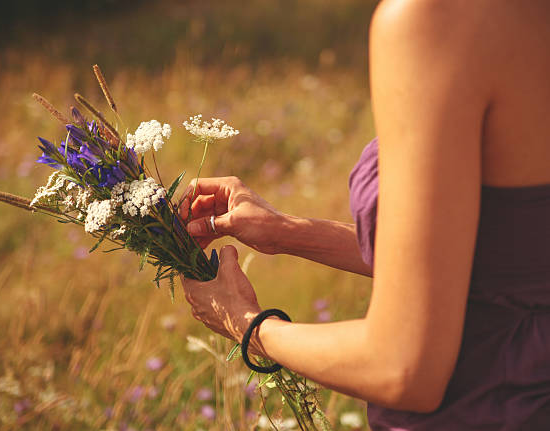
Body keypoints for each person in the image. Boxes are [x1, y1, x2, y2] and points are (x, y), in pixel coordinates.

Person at [179, 0, 550, 429]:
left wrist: (247, 325)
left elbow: (403, 369)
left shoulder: (434, 20)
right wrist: (286, 232)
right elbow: (507, 256)